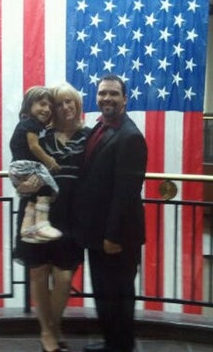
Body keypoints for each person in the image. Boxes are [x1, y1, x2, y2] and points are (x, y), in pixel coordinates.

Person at [72, 74, 148, 352]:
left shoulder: (130, 136)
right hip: (97, 233)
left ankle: (121, 347)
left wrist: (112, 236)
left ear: (125, 99)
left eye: (114, 94)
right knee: (104, 294)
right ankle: (111, 345)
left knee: (119, 296)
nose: (107, 98)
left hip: (117, 237)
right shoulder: (99, 128)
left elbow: (126, 193)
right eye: (103, 93)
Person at [13, 82, 91, 352]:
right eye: (60, 103)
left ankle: (54, 324)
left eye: (71, 102)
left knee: (64, 277)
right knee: (38, 273)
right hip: (37, 212)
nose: (65, 107)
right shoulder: (39, 136)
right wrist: (21, 183)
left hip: (72, 215)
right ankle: (47, 332)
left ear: (78, 106)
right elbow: (19, 168)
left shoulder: (89, 136)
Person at [9, 86, 63, 243]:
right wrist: (49, 161)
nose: (46, 109)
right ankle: (41, 224)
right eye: (42, 104)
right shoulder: (31, 124)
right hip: (26, 165)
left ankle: (27, 228)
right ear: (29, 105)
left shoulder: (30, 125)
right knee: (47, 187)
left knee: (33, 197)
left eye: (50, 106)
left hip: (18, 166)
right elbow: (34, 146)